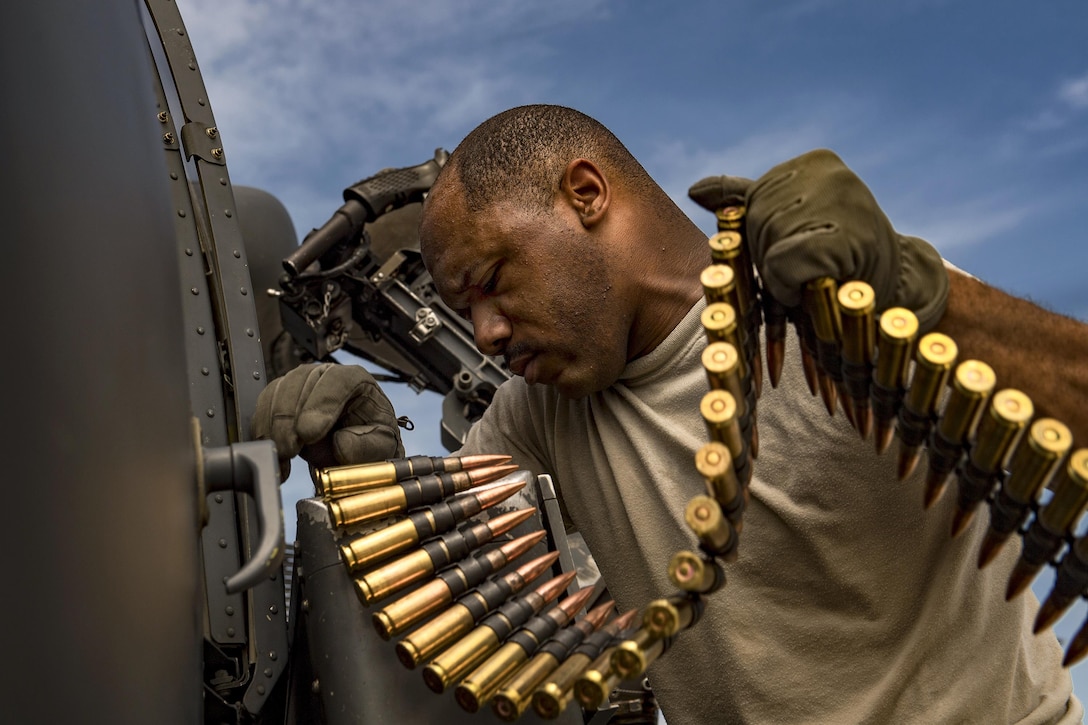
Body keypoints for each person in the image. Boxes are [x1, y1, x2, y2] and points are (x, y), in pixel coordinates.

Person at [253, 104, 1088, 723]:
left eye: (493, 282)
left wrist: (923, 303)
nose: (487, 333)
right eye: (463, 309)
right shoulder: (536, 410)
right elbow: (469, 596)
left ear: (586, 193)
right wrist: (372, 477)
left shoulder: (832, 311)